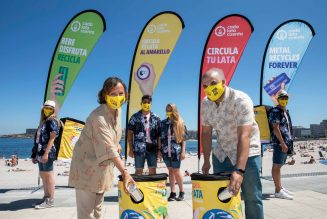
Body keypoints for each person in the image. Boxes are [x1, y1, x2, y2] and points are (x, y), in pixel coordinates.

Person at [201, 68, 263, 219]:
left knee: (252, 198)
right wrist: (207, 161)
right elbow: (206, 133)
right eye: (205, 86)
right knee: (222, 198)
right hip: (222, 154)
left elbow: (244, 136)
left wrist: (239, 171)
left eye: (213, 83)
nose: (209, 88)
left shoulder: (241, 100)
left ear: (223, 82)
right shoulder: (205, 104)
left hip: (248, 154)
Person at [68, 77, 134, 219]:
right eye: (113, 94)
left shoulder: (118, 110)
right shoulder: (98, 117)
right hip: (86, 167)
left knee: (98, 210)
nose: (118, 97)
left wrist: (117, 144)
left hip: (101, 169)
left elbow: (111, 137)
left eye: (121, 93)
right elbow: (109, 148)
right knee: (86, 213)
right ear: (105, 95)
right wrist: (125, 173)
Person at [31, 100, 60, 209]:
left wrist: (46, 153)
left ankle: (50, 200)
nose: (47, 109)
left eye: (49, 108)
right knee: (43, 175)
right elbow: (38, 140)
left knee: (48, 175)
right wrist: (34, 155)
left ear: (53, 110)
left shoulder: (52, 121)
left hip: (47, 152)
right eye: (45, 107)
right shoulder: (43, 122)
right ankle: (46, 197)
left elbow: (52, 139)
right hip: (40, 152)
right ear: (43, 109)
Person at [269, 90, 294, 200]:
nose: (284, 100)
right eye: (282, 98)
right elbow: (275, 127)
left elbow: (288, 128)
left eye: (286, 98)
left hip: (285, 142)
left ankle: (279, 188)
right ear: (278, 99)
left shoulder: (285, 111)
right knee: (276, 166)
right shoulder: (275, 111)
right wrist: (282, 142)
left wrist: (289, 143)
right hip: (280, 142)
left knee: (279, 165)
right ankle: (278, 191)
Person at [127, 95, 161, 175]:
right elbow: (129, 133)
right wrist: (131, 149)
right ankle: (138, 187)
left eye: (148, 102)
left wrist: (159, 150)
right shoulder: (135, 117)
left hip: (153, 148)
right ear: (141, 103)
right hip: (139, 148)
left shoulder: (156, 117)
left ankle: (151, 187)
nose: (146, 104)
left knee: (153, 171)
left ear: (151, 104)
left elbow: (159, 135)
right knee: (138, 171)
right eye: (144, 102)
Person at [159, 103, 187, 201]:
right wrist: (159, 151)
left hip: (176, 151)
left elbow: (184, 139)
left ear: (174, 110)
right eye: (167, 110)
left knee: (176, 171)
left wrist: (183, 151)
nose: (168, 111)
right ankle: (173, 192)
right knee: (170, 171)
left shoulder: (180, 122)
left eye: (170, 109)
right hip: (166, 151)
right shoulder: (162, 123)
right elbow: (160, 138)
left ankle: (182, 191)